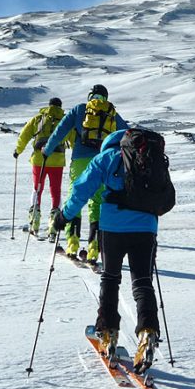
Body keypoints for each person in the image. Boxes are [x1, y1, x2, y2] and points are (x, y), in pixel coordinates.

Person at [52, 129, 160, 371]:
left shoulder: (106, 158)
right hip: (146, 228)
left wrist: (65, 216)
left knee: (110, 279)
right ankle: (148, 333)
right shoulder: (149, 157)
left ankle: (108, 333)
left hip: (113, 228)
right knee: (143, 283)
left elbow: (82, 189)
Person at [42, 84, 128, 262]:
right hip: (104, 163)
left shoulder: (80, 109)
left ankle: (72, 243)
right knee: (97, 202)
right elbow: (127, 135)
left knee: (76, 196)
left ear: (90, 96)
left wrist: (47, 151)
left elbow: (60, 132)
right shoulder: (112, 113)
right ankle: (94, 248)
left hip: (80, 161)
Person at [13, 98, 72, 237]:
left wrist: (18, 150)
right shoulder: (65, 120)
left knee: (37, 188)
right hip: (57, 160)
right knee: (55, 190)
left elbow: (24, 135)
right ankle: (53, 225)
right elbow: (73, 138)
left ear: (49, 105)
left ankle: (34, 222)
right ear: (60, 107)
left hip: (39, 159)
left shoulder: (39, 118)